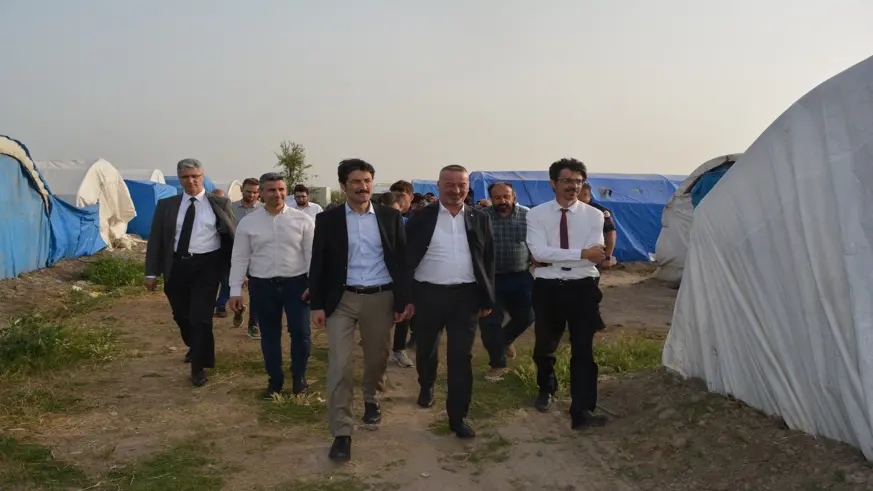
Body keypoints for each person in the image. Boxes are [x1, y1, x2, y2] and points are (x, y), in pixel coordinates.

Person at [309, 160, 412, 462]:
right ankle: (342, 432)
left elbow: (402, 261)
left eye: (367, 180)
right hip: (341, 300)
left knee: (377, 358)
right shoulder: (327, 220)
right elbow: (318, 263)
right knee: (340, 365)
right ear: (343, 186)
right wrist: (317, 304)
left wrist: (404, 300)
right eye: (355, 181)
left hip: (380, 297)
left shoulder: (390, 217)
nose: (362, 186)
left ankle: (372, 397)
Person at [406, 165, 495, 439]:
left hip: (465, 298)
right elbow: (406, 258)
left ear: (468, 187)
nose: (456, 190)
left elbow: (488, 259)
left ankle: (459, 417)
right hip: (428, 295)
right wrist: (406, 298)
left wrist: (487, 296)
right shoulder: (420, 218)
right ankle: (426, 384)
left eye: (462, 185)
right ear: (438, 185)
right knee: (426, 348)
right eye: (450, 184)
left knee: (461, 357)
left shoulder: (480, 218)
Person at [526, 158, 608, 430]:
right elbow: (539, 252)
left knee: (583, 350)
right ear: (553, 183)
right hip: (548, 287)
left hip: (583, 287)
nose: (573, 186)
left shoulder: (594, 215)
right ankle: (546, 387)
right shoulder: (536, 215)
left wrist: (562, 256)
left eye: (578, 181)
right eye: (567, 181)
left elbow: (596, 254)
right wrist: (581, 253)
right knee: (544, 346)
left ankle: (582, 411)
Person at [145, 159, 236, 387]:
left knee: (201, 317)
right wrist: (151, 272)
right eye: (185, 177)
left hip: (207, 266)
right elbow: (156, 239)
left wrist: (236, 270)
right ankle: (195, 345)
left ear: (202, 176)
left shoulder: (219, 203)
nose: (191, 181)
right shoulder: (167, 205)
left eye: (195, 176)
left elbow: (233, 235)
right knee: (181, 314)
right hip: (177, 266)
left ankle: (199, 366)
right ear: (180, 179)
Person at [229, 172, 314, 397]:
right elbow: (239, 258)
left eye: (281, 189)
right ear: (261, 193)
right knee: (269, 335)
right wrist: (235, 290)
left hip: (297, 285)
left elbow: (312, 255)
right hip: (262, 285)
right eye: (272, 190)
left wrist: (313, 284)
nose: (277, 194)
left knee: (301, 333)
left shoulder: (302, 220)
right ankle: (275, 381)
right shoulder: (248, 223)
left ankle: (299, 377)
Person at [479, 182, 533, 381]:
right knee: (489, 322)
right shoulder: (482, 217)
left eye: (506, 196)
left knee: (527, 316)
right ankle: (497, 364)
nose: (502, 201)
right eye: (497, 197)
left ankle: (505, 340)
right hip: (491, 278)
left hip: (521, 276)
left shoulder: (528, 216)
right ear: (491, 199)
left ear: (514, 197)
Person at [378, 191, 415, 367]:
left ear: (401, 207)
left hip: (401, 275)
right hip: (379, 278)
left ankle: (399, 349)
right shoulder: (372, 224)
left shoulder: (407, 224)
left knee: (404, 313)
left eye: (394, 210)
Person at [230, 177, 263, 338]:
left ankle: (253, 324)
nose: (251, 195)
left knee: (256, 293)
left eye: (255, 192)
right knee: (232, 288)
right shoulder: (230, 208)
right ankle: (238, 309)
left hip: (256, 257)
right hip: (234, 255)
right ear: (242, 189)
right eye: (248, 191)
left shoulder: (264, 210)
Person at [580, 182, 617, 271]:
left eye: (576, 192)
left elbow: (611, 233)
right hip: (576, 254)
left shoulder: (600, 211)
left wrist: (608, 257)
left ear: (585, 193)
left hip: (594, 256)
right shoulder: (571, 209)